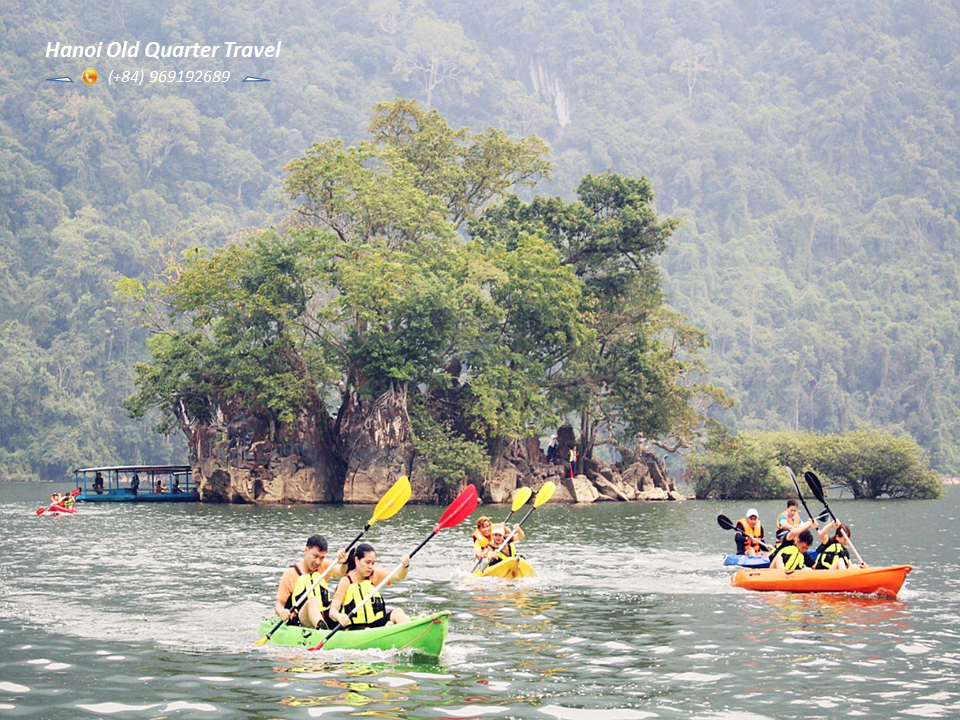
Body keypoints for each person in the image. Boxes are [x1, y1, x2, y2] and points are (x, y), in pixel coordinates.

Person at [328, 543, 410, 630]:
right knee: (367, 630)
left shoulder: (375, 575)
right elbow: (332, 611)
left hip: (375, 624)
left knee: (398, 612)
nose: (370, 567)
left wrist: (405, 566)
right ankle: (388, 629)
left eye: (373, 563)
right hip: (354, 628)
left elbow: (399, 576)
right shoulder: (346, 581)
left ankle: (410, 631)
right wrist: (339, 616)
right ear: (357, 560)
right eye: (367, 562)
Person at [274, 534, 348, 630]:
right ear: (306, 550)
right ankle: (322, 629)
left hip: (324, 615)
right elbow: (279, 604)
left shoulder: (324, 566)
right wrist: (282, 612)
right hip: (301, 620)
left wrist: (345, 562)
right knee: (312, 601)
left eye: (321, 558)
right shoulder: (290, 573)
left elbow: (341, 572)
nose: (317, 562)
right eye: (315, 556)